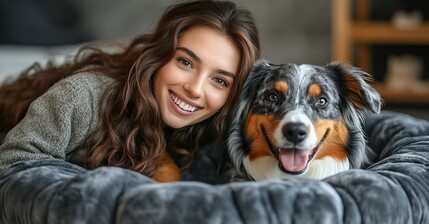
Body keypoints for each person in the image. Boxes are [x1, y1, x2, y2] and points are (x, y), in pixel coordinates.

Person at [0, 0, 261, 182]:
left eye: (220, 81)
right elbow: (12, 166)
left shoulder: (224, 126)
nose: (194, 89)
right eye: (185, 62)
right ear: (159, 55)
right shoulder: (82, 96)